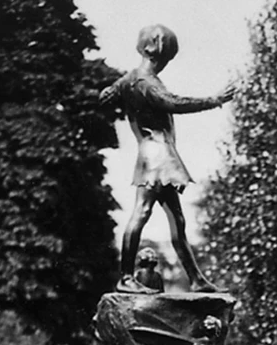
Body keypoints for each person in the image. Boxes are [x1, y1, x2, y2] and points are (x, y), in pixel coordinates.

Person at [100, 24, 235, 291]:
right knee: (143, 212)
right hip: (158, 156)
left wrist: (118, 98)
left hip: (152, 153)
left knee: (176, 219)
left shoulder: (129, 79)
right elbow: (172, 102)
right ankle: (126, 277)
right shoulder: (147, 83)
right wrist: (213, 99)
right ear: (160, 54)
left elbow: (106, 96)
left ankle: (196, 280)